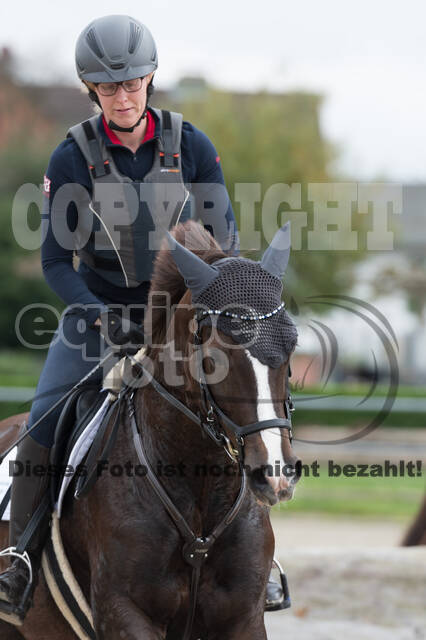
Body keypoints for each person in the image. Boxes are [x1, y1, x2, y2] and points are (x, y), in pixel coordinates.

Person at [0, 14, 284, 624]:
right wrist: (101, 317)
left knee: (238, 408)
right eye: (109, 88)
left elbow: (224, 245)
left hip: (182, 317)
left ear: (150, 78)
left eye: (132, 83)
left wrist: (191, 316)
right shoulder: (72, 157)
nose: (123, 97)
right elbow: (55, 261)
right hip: (95, 317)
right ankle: (19, 560)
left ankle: (266, 565)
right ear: (92, 91)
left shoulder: (194, 146)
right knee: (42, 422)